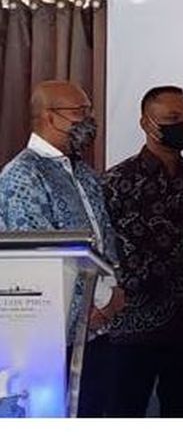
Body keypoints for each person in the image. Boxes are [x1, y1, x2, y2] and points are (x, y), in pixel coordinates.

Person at [0, 80, 122, 416]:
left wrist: (113, 293)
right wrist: (95, 305)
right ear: (49, 117)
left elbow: (104, 236)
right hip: (51, 340)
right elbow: (39, 255)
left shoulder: (83, 172)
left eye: (89, 111)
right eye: (79, 112)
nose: (89, 120)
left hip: (97, 330)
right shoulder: (22, 175)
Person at [101, 86, 183, 417]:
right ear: (146, 123)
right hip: (133, 325)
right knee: (124, 415)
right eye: (173, 118)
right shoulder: (116, 181)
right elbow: (103, 251)